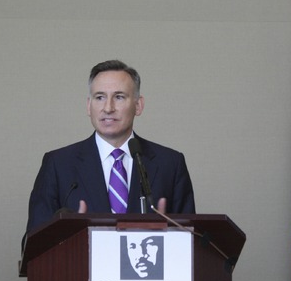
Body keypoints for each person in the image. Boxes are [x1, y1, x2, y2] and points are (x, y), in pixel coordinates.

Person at [24, 60, 196, 243]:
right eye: (100, 97)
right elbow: (32, 243)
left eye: (119, 97)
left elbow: (191, 241)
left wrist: (167, 237)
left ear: (138, 105)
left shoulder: (170, 163)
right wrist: (66, 235)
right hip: (81, 271)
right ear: (88, 106)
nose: (108, 108)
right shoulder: (58, 164)